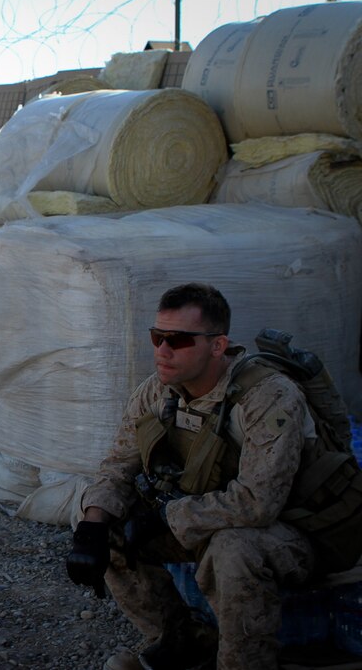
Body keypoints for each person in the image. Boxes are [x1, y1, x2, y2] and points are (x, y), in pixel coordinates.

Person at [67, 283, 325, 670]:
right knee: (100, 520)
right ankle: (182, 639)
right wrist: (92, 524)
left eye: (178, 340)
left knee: (233, 548)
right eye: (157, 337)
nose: (162, 351)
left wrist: (164, 518)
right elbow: (119, 464)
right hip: (204, 520)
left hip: (292, 532)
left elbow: (259, 503)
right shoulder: (157, 391)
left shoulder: (268, 396)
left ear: (217, 346)